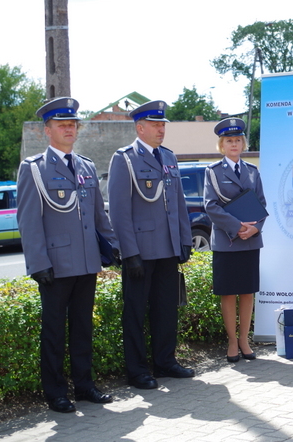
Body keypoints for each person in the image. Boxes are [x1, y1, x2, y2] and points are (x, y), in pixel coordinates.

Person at [17, 97, 120, 413]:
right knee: (53, 332)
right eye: (61, 125)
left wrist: (113, 246)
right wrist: (38, 263)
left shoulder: (86, 166)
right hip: (55, 265)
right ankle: (55, 392)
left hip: (87, 262)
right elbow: (29, 220)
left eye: (72, 124)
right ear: (47, 130)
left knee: (82, 327)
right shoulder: (34, 168)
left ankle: (85, 386)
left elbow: (98, 215)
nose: (69, 129)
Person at [108, 100, 195, 390]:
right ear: (140, 128)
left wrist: (184, 240)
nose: (161, 130)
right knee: (135, 312)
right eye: (155, 125)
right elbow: (119, 211)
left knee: (166, 309)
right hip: (141, 251)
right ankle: (137, 371)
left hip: (168, 247)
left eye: (162, 125)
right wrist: (129, 252)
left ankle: (165, 362)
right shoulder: (125, 159)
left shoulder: (168, 157)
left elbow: (179, 203)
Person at [203, 118, 266, 363]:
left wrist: (255, 229)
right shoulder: (213, 171)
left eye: (238, 140)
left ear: (243, 143)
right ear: (222, 144)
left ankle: (244, 340)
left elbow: (261, 204)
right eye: (229, 140)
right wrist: (237, 227)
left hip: (249, 240)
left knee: (248, 292)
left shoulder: (252, 171)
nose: (234, 144)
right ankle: (231, 341)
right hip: (226, 241)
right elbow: (211, 206)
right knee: (228, 293)